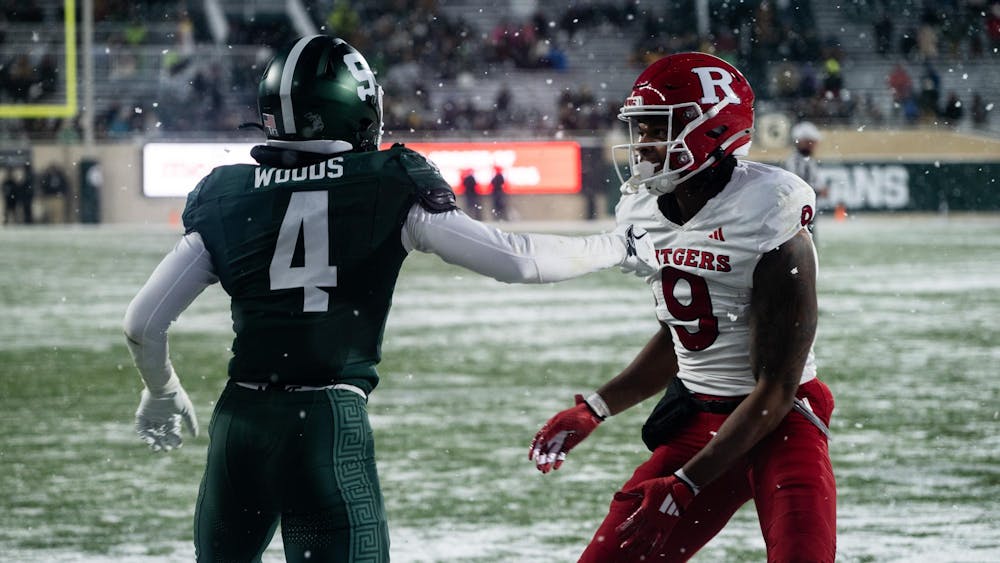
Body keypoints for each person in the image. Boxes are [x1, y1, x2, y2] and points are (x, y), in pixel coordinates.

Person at [123, 35, 656, 563]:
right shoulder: (387, 179)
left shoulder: (226, 192)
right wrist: (619, 244)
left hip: (238, 421)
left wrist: (162, 389)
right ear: (352, 107)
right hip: (324, 420)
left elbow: (143, 323)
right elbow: (519, 260)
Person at [529, 52, 835, 562]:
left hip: (780, 420)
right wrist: (595, 409)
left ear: (712, 131)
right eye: (641, 128)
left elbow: (777, 387)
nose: (642, 144)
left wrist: (686, 485)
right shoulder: (644, 210)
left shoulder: (768, 210)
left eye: (656, 128)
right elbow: (685, 332)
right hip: (699, 419)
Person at [784, 120, 828, 238]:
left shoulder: (808, 160)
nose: (814, 145)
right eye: (811, 141)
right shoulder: (796, 161)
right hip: (799, 210)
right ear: (802, 141)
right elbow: (798, 185)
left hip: (805, 209)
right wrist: (818, 190)